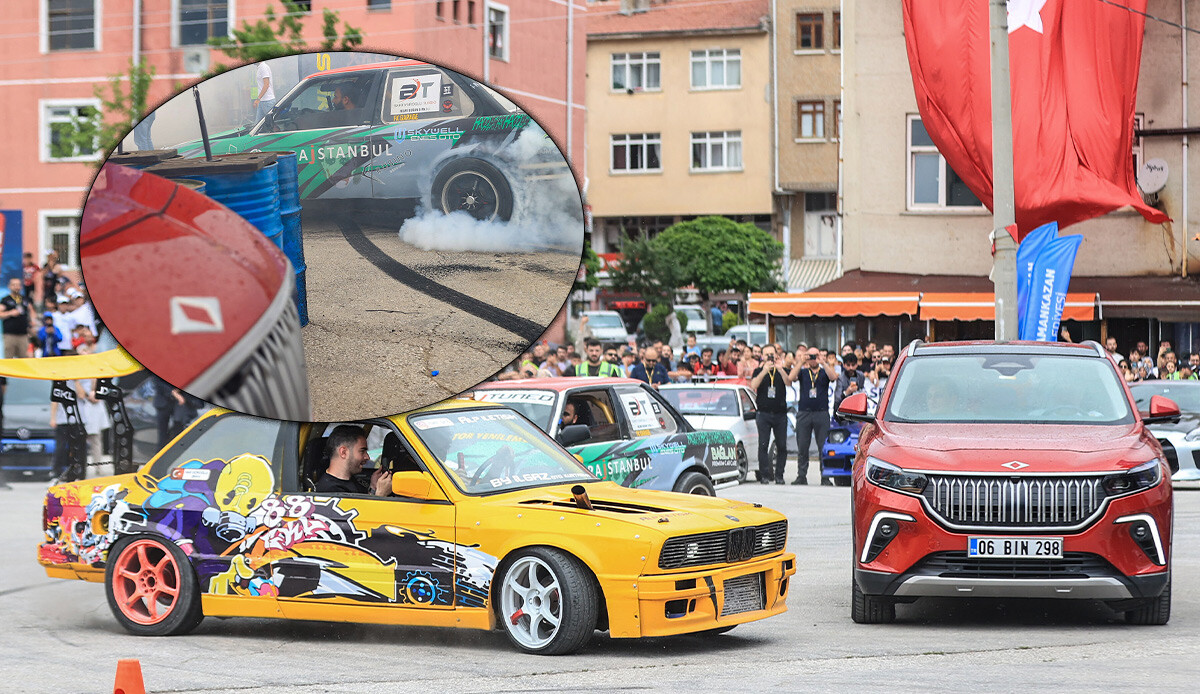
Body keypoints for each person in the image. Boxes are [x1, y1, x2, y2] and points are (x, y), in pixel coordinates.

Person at [789, 347, 837, 485]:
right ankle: (801, 475)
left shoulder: (824, 372)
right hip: (804, 412)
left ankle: (825, 476)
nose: (813, 358)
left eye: (815, 356)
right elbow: (791, 378)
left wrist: (824, 363)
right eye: (810, 356)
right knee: (802, 446)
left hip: (821, 412)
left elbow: (833, 377)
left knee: (824, 446)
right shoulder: (804, 372)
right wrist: (800, 361)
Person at [751, 345, 791, 484]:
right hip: (764, 413)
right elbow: (753, 384)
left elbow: (789, 382)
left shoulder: (781, 369)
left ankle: (779, 475)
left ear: (776, 355)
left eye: (771, 354)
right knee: (763, 444)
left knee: (782, 446)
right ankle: (764, 475)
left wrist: (780, 368)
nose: (769, 357)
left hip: (780, 414)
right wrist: (764, 371)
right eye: (766, 354)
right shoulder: (758, 370)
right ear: (762, 356)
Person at [315, 425, 392, 496]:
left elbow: (364, 504)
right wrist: (381, 494)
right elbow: (360, 511)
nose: (367, 457)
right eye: (362, 451)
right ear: (343, 452)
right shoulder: (330, 491)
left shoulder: (352, 480)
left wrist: (373, 487)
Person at [0, 278, 29, 358]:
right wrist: (10, 313)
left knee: (24, 359)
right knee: (9, 358)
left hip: (23, 334)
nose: (16, 287)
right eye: (14, 285)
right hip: (10, 335)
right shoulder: (6, 300)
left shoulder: (24, 299)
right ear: (9, 286)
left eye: (18, 285)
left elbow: (31, 312)